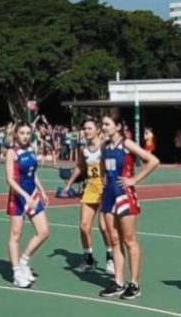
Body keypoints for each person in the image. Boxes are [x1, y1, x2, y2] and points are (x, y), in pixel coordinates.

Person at [98, 111, 159, 300]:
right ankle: (118, 281)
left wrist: (134, 179)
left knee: (129, 240)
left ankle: (134, 284)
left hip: (124, 195)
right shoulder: (104, 146)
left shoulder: (127, 144)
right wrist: (103, 182)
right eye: (103, 124)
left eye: (107, 124)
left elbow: (153, 161)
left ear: (117, 127)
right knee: (113, 239)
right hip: (109, 195)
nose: (104, 127)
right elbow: (102, 167)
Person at [62, 118, 116, 275]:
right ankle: (88, 259)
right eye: (85, 128)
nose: (86, 131)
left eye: (90, 128)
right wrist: (69, 184)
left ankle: (111, 258)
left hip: (105, 189)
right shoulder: (84, 149)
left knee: (104, 226)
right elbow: (80, 167)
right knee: (84, 226)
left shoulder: (106, 146)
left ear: (98, 130)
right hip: (90, 189)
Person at [4, 122, 50, 288]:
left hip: (33, 195)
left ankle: (24, 261)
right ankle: (16, 272)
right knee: (15, 235)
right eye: (22, 133)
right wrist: (24, 196)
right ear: (16, 134)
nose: (25, 136)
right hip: (18, 197)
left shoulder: (31, 149)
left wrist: (42, 191)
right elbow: (10, 179)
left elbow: (33, 173)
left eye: (28, 133)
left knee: (44, 231)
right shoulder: (12, 152)